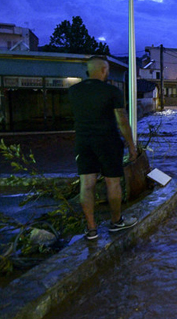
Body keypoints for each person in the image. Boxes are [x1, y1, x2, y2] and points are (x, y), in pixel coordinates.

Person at [68, 56, 138, 240]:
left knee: (87, 184)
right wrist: (132, 146)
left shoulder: (74, 91)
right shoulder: (112, 91)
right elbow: (122, 121)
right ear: (103, 70)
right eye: (106, 69)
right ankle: (116, 222)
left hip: (83, 142)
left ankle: (91, 229)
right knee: (112, 182)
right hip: (108, 141)